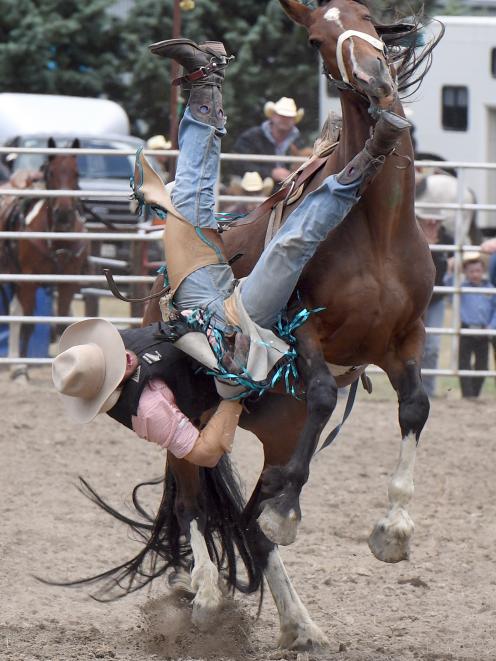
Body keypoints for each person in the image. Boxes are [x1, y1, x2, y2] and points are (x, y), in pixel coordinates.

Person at [52, 37, 411, 468]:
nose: (121, 353)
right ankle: (374, 152)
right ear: (114, 381)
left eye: (112, 350)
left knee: (185, 205)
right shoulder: (148, 412)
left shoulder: (121, 353)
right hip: (232, 338)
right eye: (115, 362)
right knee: (290, 247)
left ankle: (205, 83)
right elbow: (206, 453)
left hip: (193, 306)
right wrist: (232, 395)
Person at [416, 176, 453, 398]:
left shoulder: (447, 238)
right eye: (429, 218)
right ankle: (413, 388)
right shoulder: (414, 237)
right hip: (416, 298)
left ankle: (427, 390)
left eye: (436, 219)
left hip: (436, 298)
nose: (432, 222)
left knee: (433, 346)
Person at [445, 253, 496, 398]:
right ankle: (467, 395)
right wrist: (451, 269)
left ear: (483, 271)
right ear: (466, 273)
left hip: (484, 331)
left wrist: (491, 326)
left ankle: (475, 394)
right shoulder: (462, 288)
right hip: (466, 329)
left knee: (482, 365)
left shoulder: (490, 289)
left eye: (478, 271)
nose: (475, 274)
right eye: (471, 271)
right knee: (464, 363)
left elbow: (495, 310)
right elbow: (448, 283)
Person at [230, 96, 305, 185]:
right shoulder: (252, 136)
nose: (285, 119)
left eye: (289, 116)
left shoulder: (299, 140)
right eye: (281, 115)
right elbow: (237, 163)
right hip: (255, 188)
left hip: (289, 188)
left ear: (294, 120)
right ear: (272, 116)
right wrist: (270, 173)